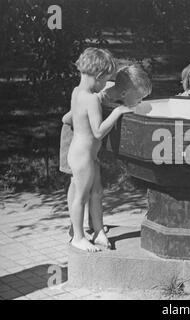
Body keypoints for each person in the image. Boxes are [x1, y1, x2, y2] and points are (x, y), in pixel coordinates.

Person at [67, 48, 148, 252]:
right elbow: (98, 132)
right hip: (83, 155)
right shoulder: (92, 99)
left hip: (85, 154)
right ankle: (77, 236)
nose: (106, 86)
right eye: (106, 81)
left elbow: (70, 118)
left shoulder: (77, 92)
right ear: (99, 76)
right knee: (81, 196)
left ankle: (98, 231)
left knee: (96, 192)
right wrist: (119, 111)